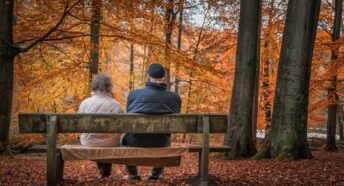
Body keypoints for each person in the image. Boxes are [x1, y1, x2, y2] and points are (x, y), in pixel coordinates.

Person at [121, 63, 182, 181]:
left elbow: (129, 116)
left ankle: (133, 174)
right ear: (164, 78)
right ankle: (155, 175)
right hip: (161, 142)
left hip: (135, 141)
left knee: (128, 137)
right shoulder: (174, 98)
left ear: (148, 77)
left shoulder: (133, 95)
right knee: (161, 136)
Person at [78, 74, 124, 179]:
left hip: (89, 141)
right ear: (109, 87)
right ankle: (105, 172)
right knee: (107, 140)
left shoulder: (85, 103)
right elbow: (122, 127)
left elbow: (79, 126)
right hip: (111, 142)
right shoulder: (116, 104)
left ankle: (104, 172)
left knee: (97, 139)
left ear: (94, 86)